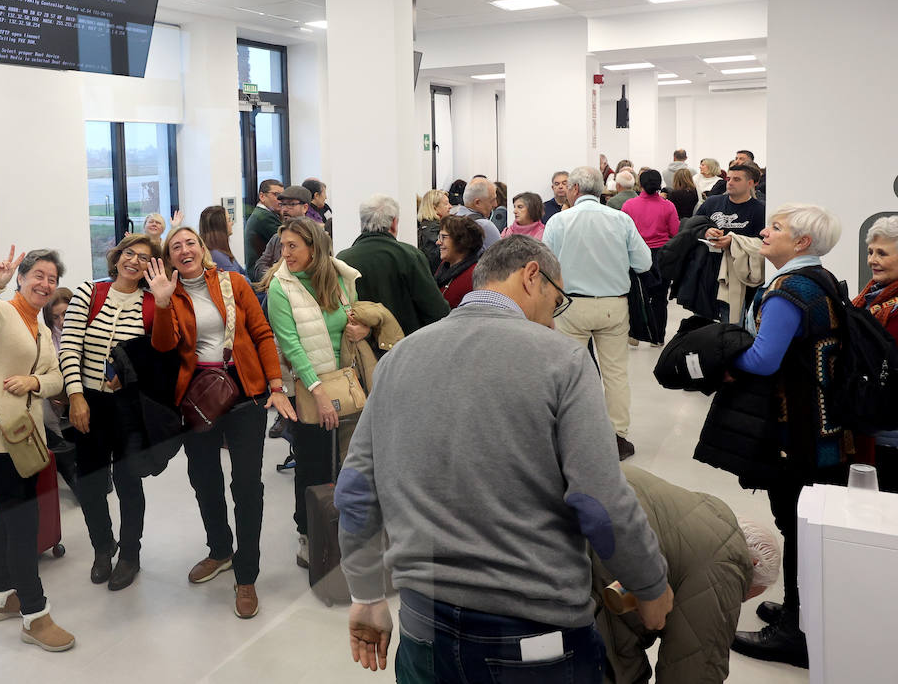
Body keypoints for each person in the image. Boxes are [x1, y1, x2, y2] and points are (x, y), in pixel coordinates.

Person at [335, 236, 672, 680]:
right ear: (532, 275)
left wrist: (366, 595)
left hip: (422, 625)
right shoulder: (563, 360)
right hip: (535, 634)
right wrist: (648, 585)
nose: (553, 319)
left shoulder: (403, 356)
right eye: (556, 300)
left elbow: (356, 489)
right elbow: (599, 503)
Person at [727, 204, 853, 668]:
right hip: (825, 426)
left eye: (775, 227)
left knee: (796, 526)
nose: (764, 230)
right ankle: (803, 612)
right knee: (807, 526)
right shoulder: (821, 279)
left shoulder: (786, 291)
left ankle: (795, 634)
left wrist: (721, 356)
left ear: (801, 242)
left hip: (796, 431)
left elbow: (763, 361)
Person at [149, 227, 294, 619]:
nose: (184, 250)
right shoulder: (169, 294)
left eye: (189, 243)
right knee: (204, 478)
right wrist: (162, 304)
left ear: (202, 248)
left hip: (244, 394)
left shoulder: (233, 282)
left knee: (247, 485)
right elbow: (163, 347)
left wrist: (276, 384)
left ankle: (246, 575)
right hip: (197, 400)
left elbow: (262, 334)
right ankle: (220, 550)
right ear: (170, 257)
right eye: (175, 246)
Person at [0, 247, 75, 652]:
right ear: (22, 277)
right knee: (24, 522)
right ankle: (34, 615)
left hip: (25, 437)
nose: (45, 284)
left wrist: (35, 384)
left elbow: (56, 377)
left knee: (12, 516)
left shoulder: (41, 327)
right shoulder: (2, 313)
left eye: (52, 278)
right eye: (38, 275)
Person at [592, 466, 774, 684]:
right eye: (744, 593)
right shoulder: (729, 565)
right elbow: (695, 668)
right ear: (752, 563)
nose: (738, 600)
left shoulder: (700, 513)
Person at [261, 217, 367, 569]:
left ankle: (342, 529)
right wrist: (319, 393)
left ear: (314, 247)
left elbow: (350, 319)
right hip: (306, 389)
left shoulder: (340, 277)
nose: (285, 253)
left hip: (343, 382)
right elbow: (290, 345)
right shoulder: (280, 287)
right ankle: (308, 534)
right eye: (284, 246)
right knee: (313, 464)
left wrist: (359, 329)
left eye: (294, 246)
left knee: (347, 459)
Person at [57, 233, 156, 591]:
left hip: (130, 407)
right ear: (117, 257)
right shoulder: (90, 292)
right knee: (90, 482)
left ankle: (130, 553)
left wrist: (133, 379)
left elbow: (160, 354)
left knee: (130, 482)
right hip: (91, 403)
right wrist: (76, 395)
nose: (135, 261)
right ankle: (103, 546)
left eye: (144, 258)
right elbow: (68, 347)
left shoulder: (150, 303)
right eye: (130, 253)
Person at [543, 167, 652, 461]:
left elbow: (545, 266)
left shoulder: (558, 221)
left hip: (570, 306)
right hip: (612, 305)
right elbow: (644, 262)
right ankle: (617, 437)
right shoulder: (620, 219)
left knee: (568, 374)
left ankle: (569, 435)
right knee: (615, 373)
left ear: (575, 189)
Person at [854, 216, 898, 493]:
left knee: (882, 500)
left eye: (882, 253)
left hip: (891, 429)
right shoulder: (879, 294)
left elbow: (881, 363)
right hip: (883, 421)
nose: (872, 260)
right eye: (870, 251)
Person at [338, 194, 450, 336]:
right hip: (405, 346)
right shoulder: (410, 256)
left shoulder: (343, 259)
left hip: (360, 350)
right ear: (394, 223)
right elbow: (436, 310)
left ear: (362, 223)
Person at [696, 162, 767, 321]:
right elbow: (691, 226)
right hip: (708, 271)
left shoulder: (760, 210)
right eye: (729, 178)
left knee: (731, 322)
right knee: (702, 322)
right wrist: (706, 231)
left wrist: (734, 242)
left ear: (750, 183)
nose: (730, 183)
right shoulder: (712, 203)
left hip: (740, 276)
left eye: (736, 179)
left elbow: (763, 243)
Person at [622, 169, 680, 346]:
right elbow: (675, 232)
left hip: (636, 254)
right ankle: (657, 337)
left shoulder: (629, 205)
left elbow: (623, 233)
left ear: (640, 184)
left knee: (636, 295)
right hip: (661, 255)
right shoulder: (668, 206)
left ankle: (635, 334)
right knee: (660, 298)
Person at [251, 185, 312, 282]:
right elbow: (260, 266)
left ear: (305, 208)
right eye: (282, 204)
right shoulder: (277, 238)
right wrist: (277, 276)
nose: (285, 209)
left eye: (291, 204)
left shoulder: (315, 237)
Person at [435, 215, 484, 308]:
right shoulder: (444, 266)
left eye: (443, 237)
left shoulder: (474, 276)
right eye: (439, 237)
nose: (438, 242)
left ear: (461, 240)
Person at [450, 177, 502, 250]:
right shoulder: (485, 226)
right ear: (477, 203)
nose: (495, 204)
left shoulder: (450, 222)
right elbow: (501, 257)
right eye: (492, 200)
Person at [198, 205, 247, 277]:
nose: (232, 223)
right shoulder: (216, 255)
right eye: (229, 220)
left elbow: (243, 274)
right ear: (220, 226)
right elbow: (240, 281)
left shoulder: (221, 252)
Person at [244, 178, 283, 265]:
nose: (281, 200)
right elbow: (285, 239)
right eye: (276, 194)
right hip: (261, 271)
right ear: (262, 196)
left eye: (282, 196)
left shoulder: (262, 213)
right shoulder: (264, 217)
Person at [416, 189, 450, 273]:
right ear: (434, 208)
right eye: (446, 204)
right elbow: (436, 261)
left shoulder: (425, 227)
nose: (450, 206)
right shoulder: (434, 230)